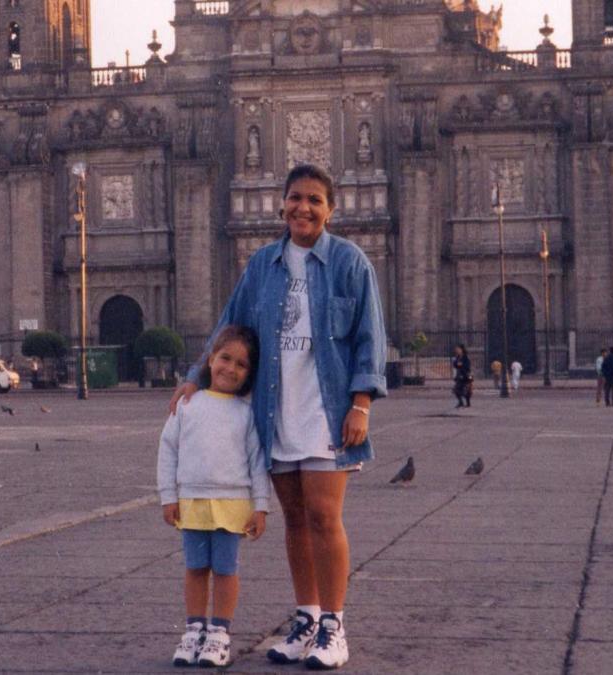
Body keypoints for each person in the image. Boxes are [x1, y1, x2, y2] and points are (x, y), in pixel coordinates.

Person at [169, 164, 387, 670]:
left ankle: (334, 625)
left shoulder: (351, 263)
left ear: (330, 209)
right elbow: (232, 325)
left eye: (314, 199)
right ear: (281, 204)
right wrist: (197, 376)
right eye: (295, 198)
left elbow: (370, 339)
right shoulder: (263, 264)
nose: (302, 208)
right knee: (294, 521)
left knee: (323, 517)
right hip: (275, 412)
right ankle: (306, 618)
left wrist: (361, 404)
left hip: (327, 411)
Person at [158, 326, 269, 667]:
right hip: (192, 501)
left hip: (233, 504)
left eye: (241, 364)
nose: (230, 369)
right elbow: (168, 451)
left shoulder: (246, 412)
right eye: (225, 359)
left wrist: (261, 506)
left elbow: (256, 462)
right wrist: (168, 496)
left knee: (225, 570)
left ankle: (219, 633)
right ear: (210, 359)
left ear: (249, 374)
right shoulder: (187, 405)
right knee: (194, 568)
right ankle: (194, 629)